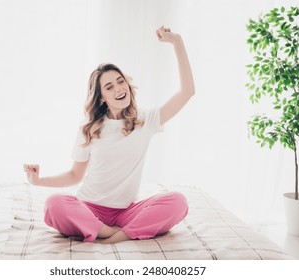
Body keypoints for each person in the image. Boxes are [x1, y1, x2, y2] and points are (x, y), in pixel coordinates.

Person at [23, 26, 195, 244]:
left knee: (178, 202)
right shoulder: (90, 127)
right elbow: (75, 176)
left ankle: (116, 234)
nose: (118, 89)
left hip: (125, 212)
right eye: (109, 87)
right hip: (89, 209)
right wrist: (38, 181)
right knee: (54, 204)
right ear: (102, 97)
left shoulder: (147, 120)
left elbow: (187, 91)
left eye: (121, 81)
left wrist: (177, 42)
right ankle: (107, 232)